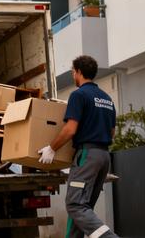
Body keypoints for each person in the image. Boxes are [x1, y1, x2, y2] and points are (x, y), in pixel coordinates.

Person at [38, 55, 120, 238]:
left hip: (87, 155)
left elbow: (70, 129)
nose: (73, 75)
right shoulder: (107, 99)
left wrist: (52, 148)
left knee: (75, 205)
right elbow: (112, 132)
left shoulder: (79, 95)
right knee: (83, 208)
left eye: (73, 72)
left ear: (79, 72)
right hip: (104, 157)